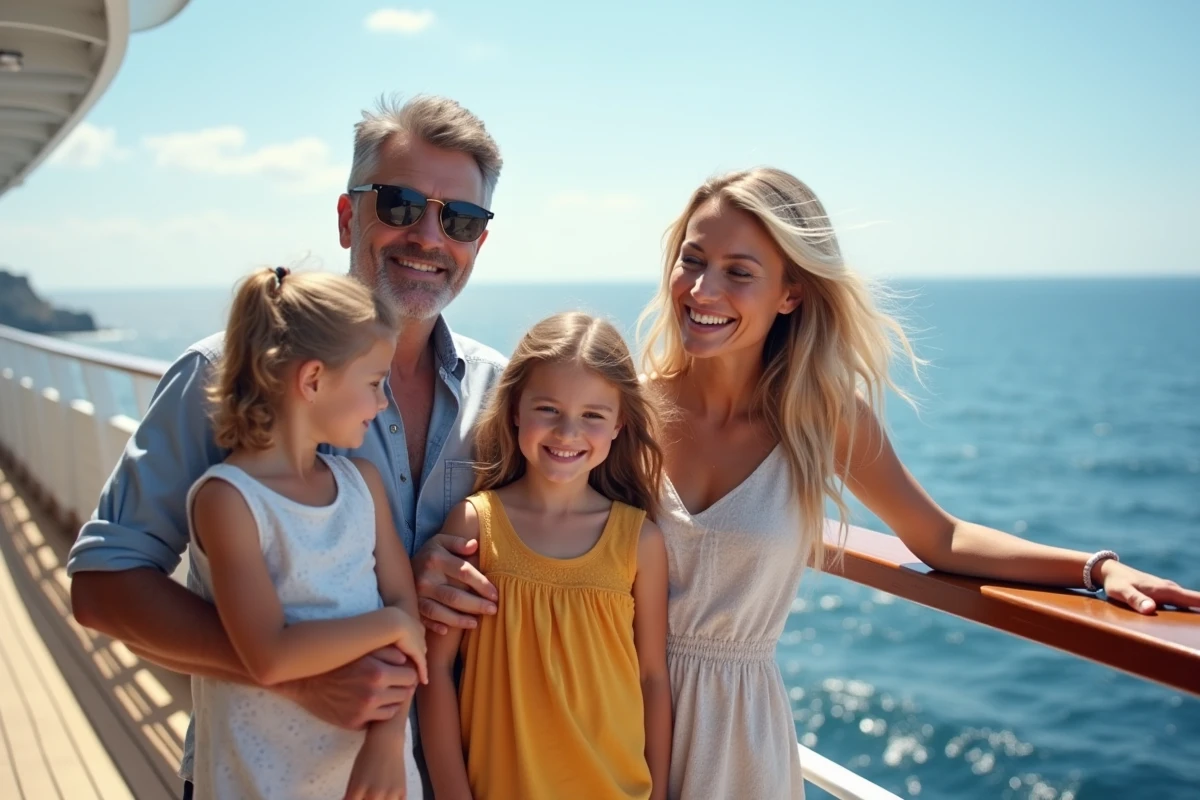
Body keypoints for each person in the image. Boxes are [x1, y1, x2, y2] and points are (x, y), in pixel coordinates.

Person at [417, 167, 1200, 799]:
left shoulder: (822, 420)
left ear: (790, 292)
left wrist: (1095, 568)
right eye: (692, 260)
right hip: (600, 722)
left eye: (739, 272)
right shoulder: (623, 413)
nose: (702, 290)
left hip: (739, 736)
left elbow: (941, 538)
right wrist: (434, 567)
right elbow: (522, 518)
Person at [66, 94, 507, 799]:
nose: (428, 237)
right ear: (347, 217)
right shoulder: (225, 376)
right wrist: (301, 679)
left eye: (459, 219)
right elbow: (103, 586)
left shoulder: (508, 397)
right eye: (400, 205)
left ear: (478, 242)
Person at [186, 268, 426, 799]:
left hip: (374, 775)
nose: (382, 403)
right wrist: (390, 624)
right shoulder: (230, 501)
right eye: (373, 383)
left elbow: (406, 616)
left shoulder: (362, 485)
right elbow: (270, 655)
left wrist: (387, 737)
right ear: (313, 380)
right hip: (263, 782)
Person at [418, 312, 672, 800]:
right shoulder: (475, 525)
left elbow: (652, 678)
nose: (567, 432)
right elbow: (437, 675)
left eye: (592, 415)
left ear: (619, 423)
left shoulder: (640, 542)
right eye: (548, 409)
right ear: (515, 408)